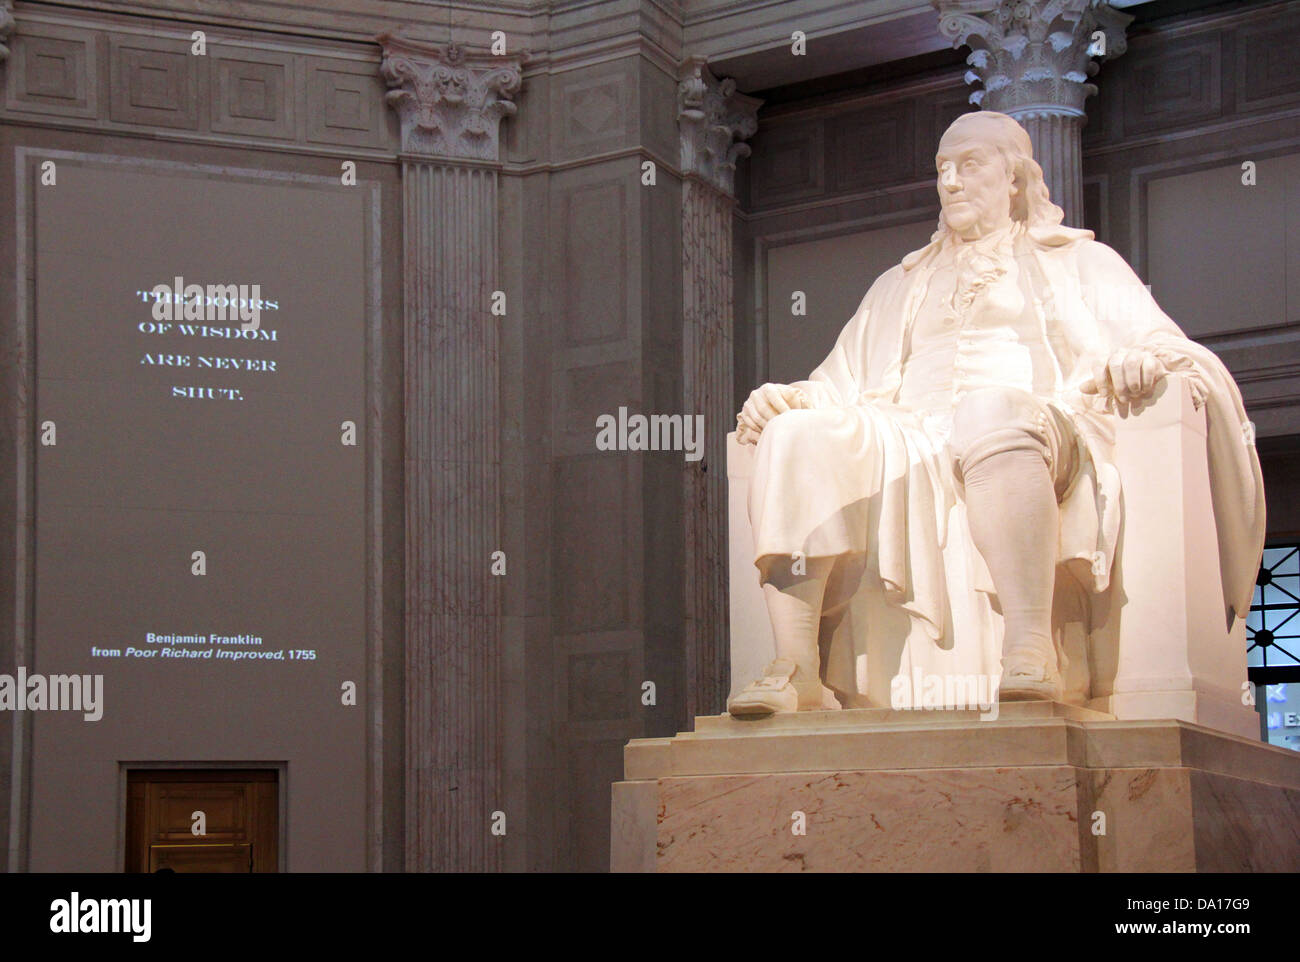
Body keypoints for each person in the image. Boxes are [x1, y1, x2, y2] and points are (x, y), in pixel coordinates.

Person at [728, 110, 1264, 716]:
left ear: (1015, 178)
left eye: (970, 165)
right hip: (908, 433)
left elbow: (1168, 347)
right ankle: (796, 667)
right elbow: (840, 382)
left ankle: (1032, 646)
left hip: (1039, 421)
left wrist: (1143, 358)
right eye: (942, 169)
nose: (951, 182)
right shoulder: (898, 285)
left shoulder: (1077, 261)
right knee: (796, 436)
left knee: (990, 415)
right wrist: (790, 400)